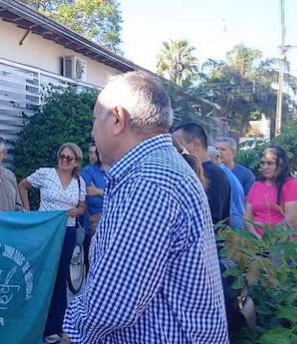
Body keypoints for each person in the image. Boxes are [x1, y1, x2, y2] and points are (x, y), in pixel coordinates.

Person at [64, 72, 228, 343]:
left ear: (117, 119)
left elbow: (112, 302)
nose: (92, 131)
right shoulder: (159, 169)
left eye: (95, 119)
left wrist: (72, 332)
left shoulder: (148, 181)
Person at [18, 143, 86, 344]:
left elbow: (82, 206)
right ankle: (40, 324)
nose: (64, 160)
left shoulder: (79, 181)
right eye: (62, 156)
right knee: (42, 276)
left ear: (76, 162)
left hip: (67, 231)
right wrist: (28, 211)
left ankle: (58, 325)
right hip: (45, 231)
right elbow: (22, 185)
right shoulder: (46, 174)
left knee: (60, 277)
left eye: (69, 158)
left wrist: (78, 211)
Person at [173, 123, 232, 228]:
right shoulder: (192, 172)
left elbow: (213, 218)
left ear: (195, 144)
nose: (174, 152)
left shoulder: (214, 175)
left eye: (179, 146)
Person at [244, 145, 297, 239]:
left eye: (270, 163)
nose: (265, 167)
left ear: (281, 165)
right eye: (262, 163)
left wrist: (267, 237)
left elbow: (291, 222)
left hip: (283, 244)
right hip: (255, 244)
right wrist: (255, 235)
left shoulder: (292, 185)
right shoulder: (256, 185)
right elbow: (247, 217)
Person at [79, 143, 108, 272]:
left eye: (94, 153)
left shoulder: (113, 169)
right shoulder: (88, 171)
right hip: (94, 216)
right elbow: (87, 191)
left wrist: (99, 191)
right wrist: (105, 192)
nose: (92, 156)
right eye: (89, 153)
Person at [209, 146, 246, 230]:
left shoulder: (218, 174)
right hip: (237, 218)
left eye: (223, 149)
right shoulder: (225, 172)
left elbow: (229, 206)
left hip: (233, 221)